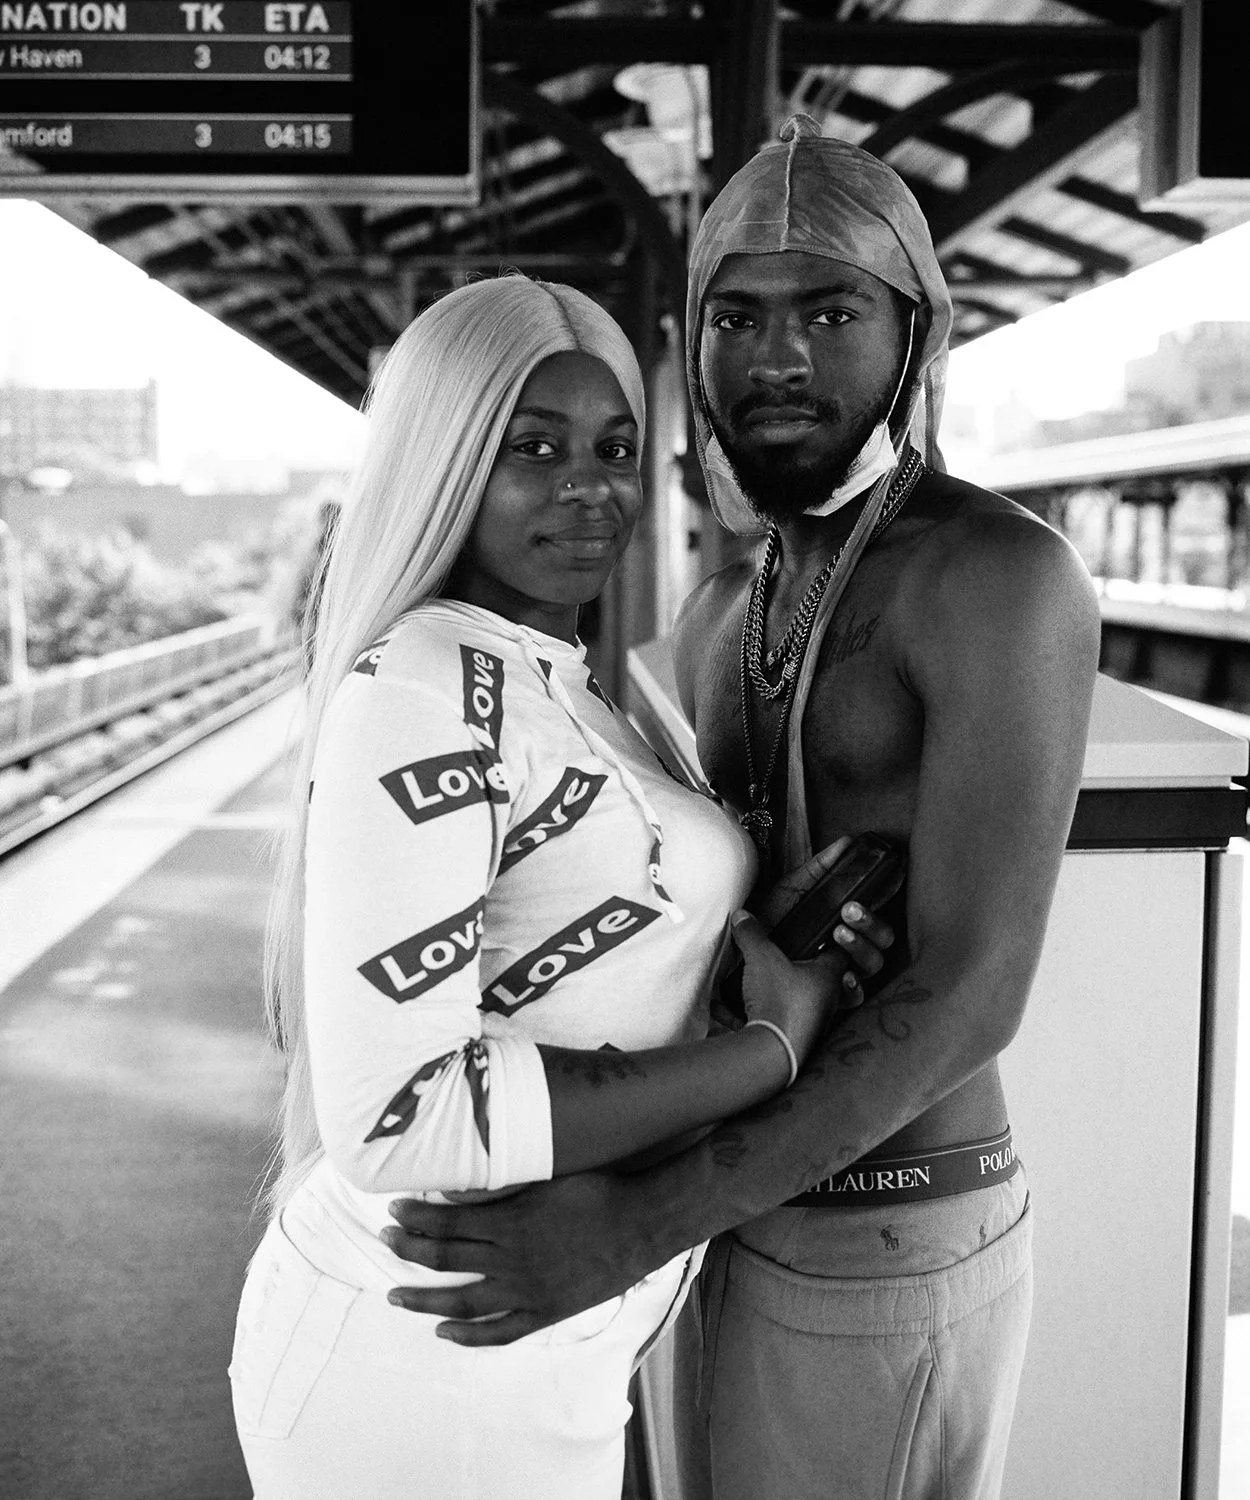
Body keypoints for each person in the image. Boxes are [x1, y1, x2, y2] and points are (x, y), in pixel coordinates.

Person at [381, 119, 1102, 1499]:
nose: (776, 358)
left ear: (913, 333)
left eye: (829, 311)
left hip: (878, 1228)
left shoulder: (995, 577)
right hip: (716, 1216)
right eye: (736, 315)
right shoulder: (720, 606)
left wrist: (632, 1224)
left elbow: (967, 995)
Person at [229, 273, 890, 1500]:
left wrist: (758, 937)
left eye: (615, 447)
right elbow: (397, 1116)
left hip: (524, 1344)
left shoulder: (551, 674)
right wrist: (764, 1054)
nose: (590, 487)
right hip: (428, 1353)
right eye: (532, 448)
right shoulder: (424, 686)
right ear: (444, 460)